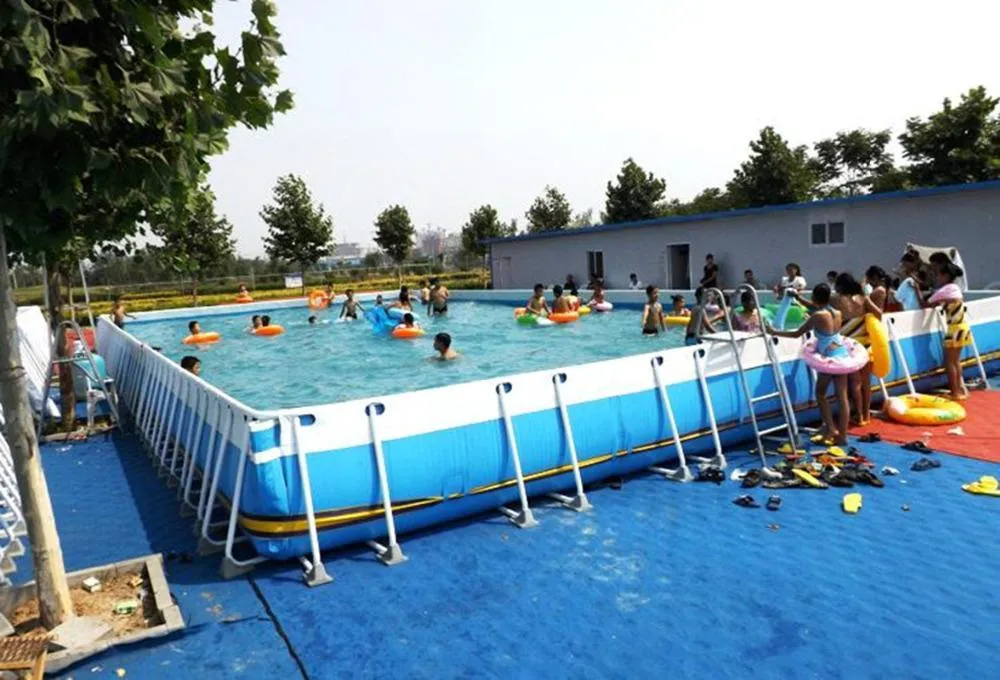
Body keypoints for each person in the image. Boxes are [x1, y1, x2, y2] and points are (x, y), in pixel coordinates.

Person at [769, 283, 851, 445]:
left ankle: (830, 429)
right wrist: (798, 298)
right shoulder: (836, 312)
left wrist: (774, 332)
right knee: (842, 397)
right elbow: (816, 308)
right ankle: (842, 436)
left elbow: (796, 334)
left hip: (829, 358)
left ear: (815, 297)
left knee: (820, 394)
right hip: (842, 355)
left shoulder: (817, 316)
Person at [834, 273, 883, 425]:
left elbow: (816, 308)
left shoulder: (837, 300)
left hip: (849, 346)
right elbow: (879, 314)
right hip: (865, 345)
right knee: (866, 382)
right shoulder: (863, 299)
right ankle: (867, 415)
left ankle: (859, 415)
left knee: (854, 383)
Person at [923, 262, 970, 400]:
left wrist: (916, 292)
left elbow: (926, 303)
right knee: (956, 361)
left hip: (954, 329)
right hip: (962, 327)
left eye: (939, 274)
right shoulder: (955, 288)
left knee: (949, 362)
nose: (937, 278)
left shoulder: (945, 290)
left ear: (946, 275)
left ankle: (954, 393)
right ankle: (959, 389)